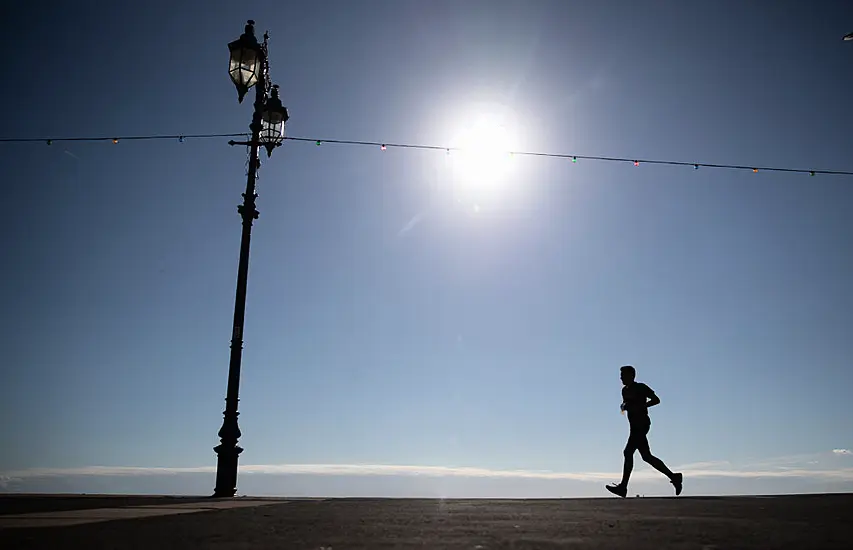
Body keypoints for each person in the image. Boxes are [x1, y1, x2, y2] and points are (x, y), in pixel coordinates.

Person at [606, 365, 683, 497]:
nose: (621, 378)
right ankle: (674, 477)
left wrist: (642, 405)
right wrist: (624, 406)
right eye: (621, 376)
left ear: (631, 376)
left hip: (642, 424)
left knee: (628, 452)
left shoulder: (641, 387)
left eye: (623, 375)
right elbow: (626, 405)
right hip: (633, 426)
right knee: (646, 456)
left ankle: (623, 487)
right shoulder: (624, 390)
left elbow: (656, 400)